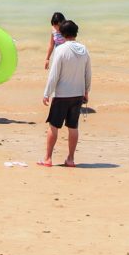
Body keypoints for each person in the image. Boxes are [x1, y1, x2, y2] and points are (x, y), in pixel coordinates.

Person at [39, 19, 92, 168]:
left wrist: (47, 93)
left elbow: (54, 74)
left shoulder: (61, 50)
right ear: (75, 33)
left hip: (62, 95)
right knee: (73, 127)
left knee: (53, 126)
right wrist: (86, 91)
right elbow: (88, 73)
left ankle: (48, 158)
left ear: (62, 33)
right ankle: (70, 159)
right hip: (77, 95)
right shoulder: (84, 49)